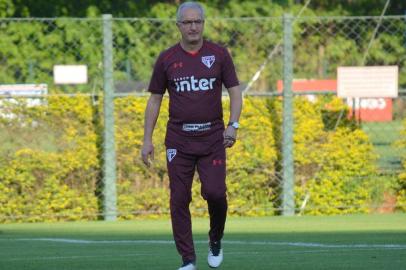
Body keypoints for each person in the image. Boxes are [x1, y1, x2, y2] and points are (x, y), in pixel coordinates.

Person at [141, 2, 242, 270]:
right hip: (178, 141)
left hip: (213, 139)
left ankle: (215, 239)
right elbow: (154, 100)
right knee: (178, 199)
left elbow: (234, 91)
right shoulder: (166, 59)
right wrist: (147, 140)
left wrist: (233, 124)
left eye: (197, 21)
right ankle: (188, 259)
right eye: (187, 22)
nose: (193, 26)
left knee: (215, 193)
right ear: (178, 26)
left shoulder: (219, 55)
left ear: (204, 24)